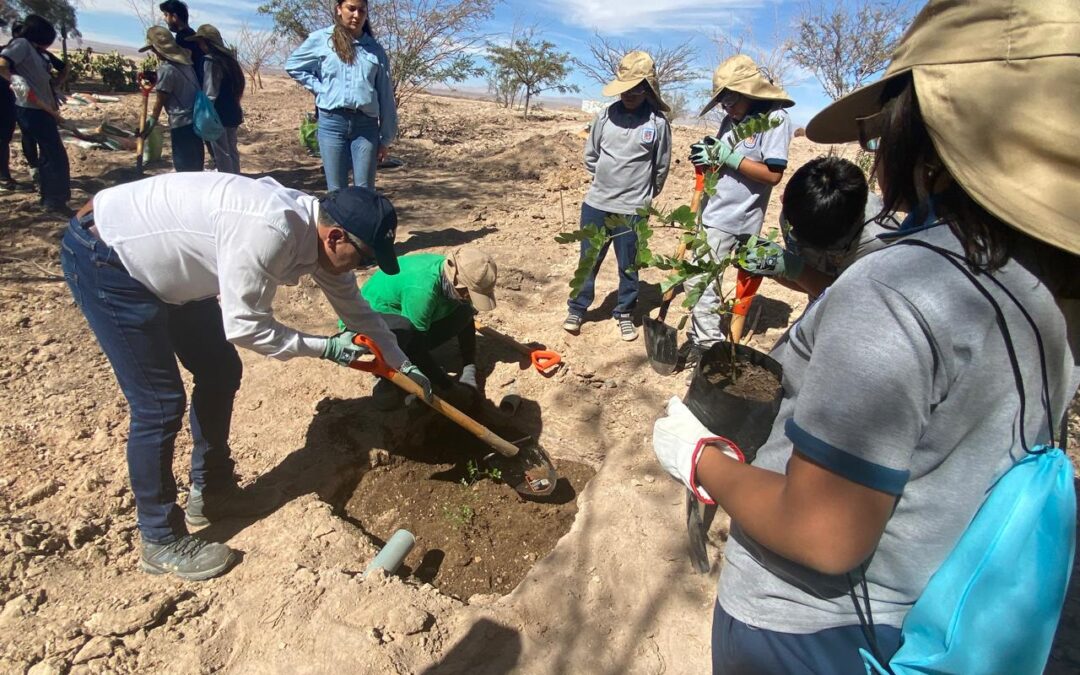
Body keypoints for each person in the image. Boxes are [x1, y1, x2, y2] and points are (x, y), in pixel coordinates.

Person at [652, 1, 1079, 672]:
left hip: (803, 629)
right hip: (913, 615)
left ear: (923, 130)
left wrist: (698, 458)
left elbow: (822, 532)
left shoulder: (894, 290)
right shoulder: (1039, 295)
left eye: (884, 126)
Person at [59, 173, 434, 581]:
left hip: (169, 268)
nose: (363, 268)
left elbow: (357, 311)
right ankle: (159, 538)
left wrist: (401, 363)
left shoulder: (319, 236)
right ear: (336, 237)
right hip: (111, 261)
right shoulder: (271, 231)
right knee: (159, 403)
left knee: (220, 370)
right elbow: (244, 326)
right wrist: (326, 348)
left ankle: (213, 492)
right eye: (364, 258)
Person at [684, 55, 794, 365]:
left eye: (731, 98)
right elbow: (723, 159)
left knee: (700, 282)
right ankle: (702, 338)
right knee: (701, 282)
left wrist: (729, 157)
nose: (726, 106)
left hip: (736, 218)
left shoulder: (775, 119)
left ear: (750, 92)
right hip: (713, 211)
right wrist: (708, 157)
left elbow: (773, 174)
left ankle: (708, 349)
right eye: (722, 101)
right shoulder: (730, 120)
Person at [562, 51, 672, 342]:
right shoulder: (604, 116)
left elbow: (661, 168)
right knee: (588, 259)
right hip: (597, 204)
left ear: (647, 89)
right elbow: (591, 156)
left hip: (633, 210)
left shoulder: (658, 124)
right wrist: (608, 181)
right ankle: (577, 308)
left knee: (629, 265)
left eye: (636, 89)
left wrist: (641, 196)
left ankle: (624, 312)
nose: (629, 95)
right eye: (625, 88)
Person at [734, 156, 899, 300]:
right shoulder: (799, 208)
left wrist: (793, 268)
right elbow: (811, 284)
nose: (791, 233)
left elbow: (851, 301)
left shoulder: (879, 244)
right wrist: (775, 269)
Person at [359, 247, 497, 409]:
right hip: (370, 323)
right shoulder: (422, 291)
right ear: (456, 283)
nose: (469, 298)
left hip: (408, 312)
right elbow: (415, 346)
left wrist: (469, 369)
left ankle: (468, 365)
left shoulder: (448, 274)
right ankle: (386, 374)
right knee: (409, 338)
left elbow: (465, 313)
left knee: (465, 310)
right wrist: (448, 387)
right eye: (468, 294)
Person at [285, 0, 397, 191]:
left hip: (366, 127)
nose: (356, 15)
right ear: (339, 9)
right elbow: (293, 65)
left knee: (365, 191)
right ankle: (338, 222)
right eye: (351, 8)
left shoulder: (375, 50)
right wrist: (322, 89)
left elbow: (386, 96)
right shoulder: (322, 39)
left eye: (361, 10)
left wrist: (386, 138)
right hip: (331, 123)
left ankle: (363, 222)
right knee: (336, 191)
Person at [0, 14, 71, 214]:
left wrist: (55, 87)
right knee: (54, 155)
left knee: (51, 154)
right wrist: (14, 80)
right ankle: (53, 201)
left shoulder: (36, 51)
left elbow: (47, 79)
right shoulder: (22, 44)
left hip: (42, 109)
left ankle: (51, 198)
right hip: (32, 109)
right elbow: (2, 64)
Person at [139, 26, 203, 172]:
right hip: (195, 123)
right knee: (196, 169)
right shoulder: (187, 64)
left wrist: (150, 123)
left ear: (158, 48)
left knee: (184, 170)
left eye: (153, 49)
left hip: (181, 126)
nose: (154, 53)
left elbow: (160, 101)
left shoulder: (167, 70)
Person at [192, 24, 244, 174]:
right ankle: (237, 180)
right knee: (232, 151)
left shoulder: (211, 61)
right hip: (233, 112)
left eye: (200, 42)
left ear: (205, 42)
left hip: (218, 114)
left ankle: (228, 183)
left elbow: (210, 91)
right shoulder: (230, 61)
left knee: (222, 154)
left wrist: (204, 116)